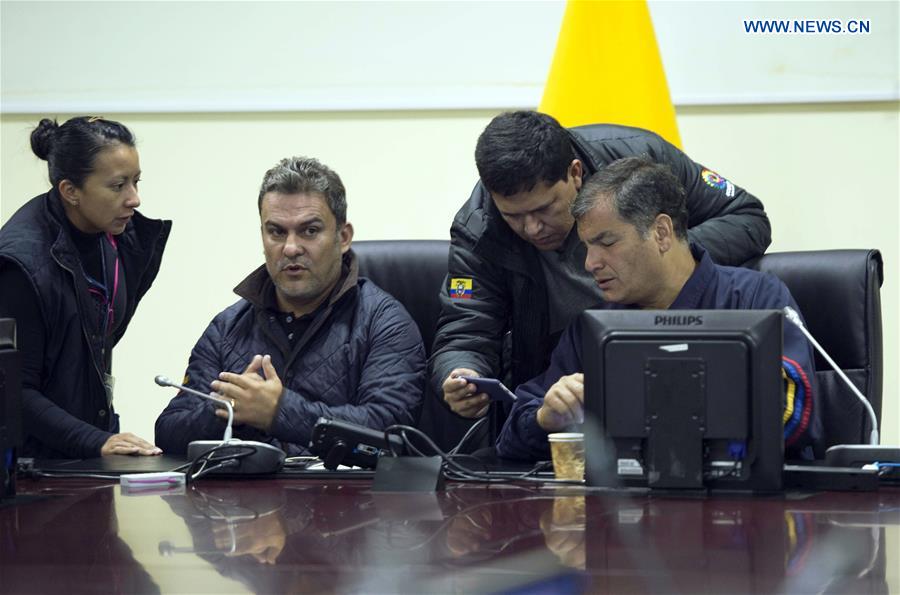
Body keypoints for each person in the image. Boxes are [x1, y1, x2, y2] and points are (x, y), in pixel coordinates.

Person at [431, 111, 773, 442]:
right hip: (565, 375)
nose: (532, 228)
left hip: (671, 342)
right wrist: (461, 374)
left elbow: (746, 215)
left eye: (544, 209)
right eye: (514, 216)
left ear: (575, 173)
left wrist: (653, 265)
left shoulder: (643, 160)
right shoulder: (479, 230)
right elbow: (465, 329)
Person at [495, 157, 821, 462]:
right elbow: (511, 436)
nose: (590, 263)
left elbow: (791, 412)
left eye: (606, 243)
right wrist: (544, 418)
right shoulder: (594, 325)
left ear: (661, 233)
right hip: (622, 513)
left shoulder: (755, 299)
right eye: (587, 246)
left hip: (744, 508)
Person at [155, 156, 425, 455]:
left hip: (345, 498)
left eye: (309, 231)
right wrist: (230, 410)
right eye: (277, 232)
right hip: (245, 501)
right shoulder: (228, 328)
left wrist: (279, 412)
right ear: (262, 235)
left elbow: (393, 432)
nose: (291, 248)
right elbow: (168, 432)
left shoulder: (384, 322)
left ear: (344, 237)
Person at [0, 117, 171, 459]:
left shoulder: (121, 238)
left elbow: (88, 354)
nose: (134, 199)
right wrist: (95, 440)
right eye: (118, 185)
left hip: (87, 446)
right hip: (31, 468)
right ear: (70, 191)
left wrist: (99, 439)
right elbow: (14, 391)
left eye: (136, 182)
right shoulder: (21, 266)